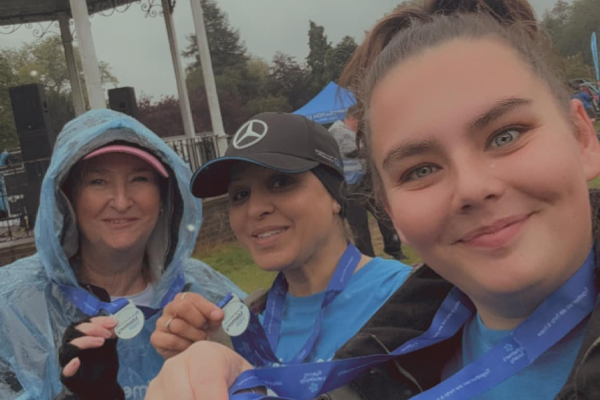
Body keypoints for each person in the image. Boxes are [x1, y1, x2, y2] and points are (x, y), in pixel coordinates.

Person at [145, 0, 600, 399]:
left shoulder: (394, 303)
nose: (472, 188)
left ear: (582, 136)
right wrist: (228, 363)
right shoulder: (272, 323)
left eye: (506, 135)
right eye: (421, 169)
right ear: (389, 207)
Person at [0, 109, 243, 400]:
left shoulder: (206, 292)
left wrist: (219, 353)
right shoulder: (13, 306)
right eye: (98, 182)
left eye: (139, 179)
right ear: (68, 198)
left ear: (164, 195)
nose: (121, 201)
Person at [149, 112, 413, 365]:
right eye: (240, 195)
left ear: (336, 195)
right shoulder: (242, 327)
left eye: (280, 183)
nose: (255, 209)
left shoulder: (408, 299)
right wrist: (200, 359)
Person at [329, 106, 405, 260]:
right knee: (359, 226)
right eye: (359, 122)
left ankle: (394, 249)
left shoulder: (359, 132)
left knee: (384, 215)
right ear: (351, 119)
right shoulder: (336, 132)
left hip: (365, 182)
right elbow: (344, 154)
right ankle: (368, 258)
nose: (361, 126)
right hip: (349, 187)